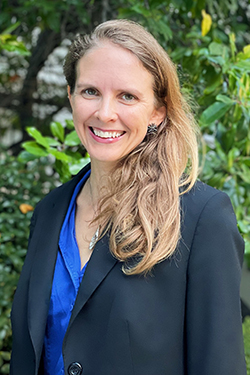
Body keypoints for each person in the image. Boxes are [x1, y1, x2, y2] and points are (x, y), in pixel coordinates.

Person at [10, 19, 246, 375]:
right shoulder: (49, 213)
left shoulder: (200, 218)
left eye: (127, 96)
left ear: (158, 111)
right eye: (90, 91)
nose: (105, 113)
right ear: (71, 96)